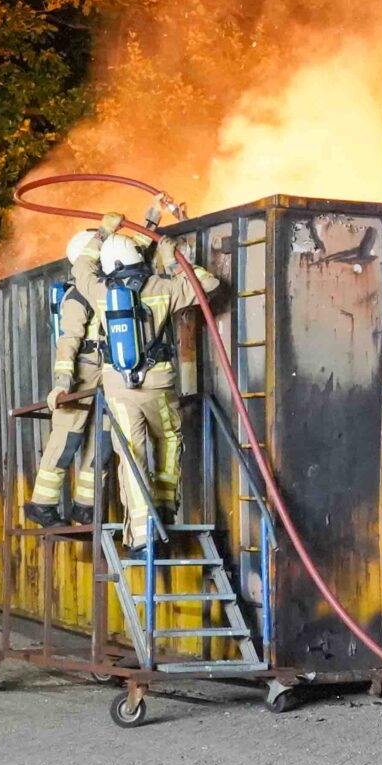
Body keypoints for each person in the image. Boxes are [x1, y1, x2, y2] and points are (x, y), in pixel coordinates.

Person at [93, 219, 224, 550]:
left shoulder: (99, 292)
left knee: (131, 455)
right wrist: (171, 261)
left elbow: (81, 265)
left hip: (119, 390)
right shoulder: (161, 288)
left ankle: (142, 533)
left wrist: (102, 233)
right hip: (159, 385)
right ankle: (165, 508)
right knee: (167, 440)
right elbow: (207, 285)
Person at [24, 226, 108, 529]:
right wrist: (62, 382)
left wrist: (151, 220)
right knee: (67, 439)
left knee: (104, 442)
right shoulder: (77, 296)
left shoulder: (104, 288)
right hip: (82, 374)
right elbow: (68, 340)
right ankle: (41, 505)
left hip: (107, 374)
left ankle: (84, 507)